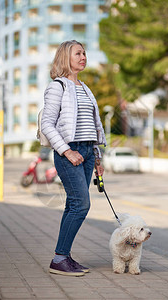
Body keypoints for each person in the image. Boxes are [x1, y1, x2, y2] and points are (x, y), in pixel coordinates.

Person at [41, 40, 106, 276]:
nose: (83, 56)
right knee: (81, 204)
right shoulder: (57, 87)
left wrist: (97, 157)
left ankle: (64, 257)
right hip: (69, 152)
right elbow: (47, 123)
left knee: (73, 204)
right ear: (65, 57)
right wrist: (67, 151)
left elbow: (92, 128)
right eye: (78, 53)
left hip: (87, 152)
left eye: (84, 53)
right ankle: (59, 258)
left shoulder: (86, 89)